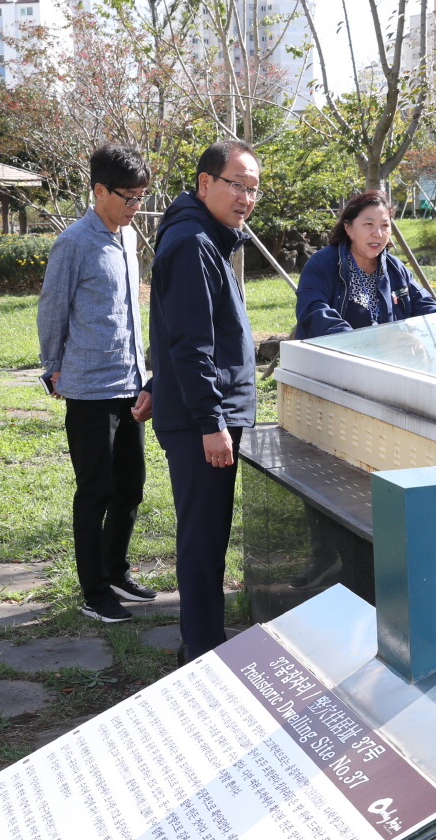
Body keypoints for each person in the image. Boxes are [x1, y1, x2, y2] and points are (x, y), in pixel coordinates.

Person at [146, 139, 260, 662]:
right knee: (201, 538)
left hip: (199, 411)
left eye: (253, 188)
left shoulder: (206, 237)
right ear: (205, 183)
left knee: (207, 535)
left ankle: (204, 644)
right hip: (201, 422)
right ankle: (203, 652)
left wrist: (156, 383)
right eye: (236, 183)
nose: (245, 197)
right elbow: (191, 344)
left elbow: (176, 327)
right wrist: (211, 421)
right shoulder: (193, 241)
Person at [37, 144, 157, 624]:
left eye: (141, 197)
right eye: (128, 197)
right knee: (96, 491)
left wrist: (144, 374)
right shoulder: (75, 242)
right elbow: (52, 307)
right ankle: (93, 592)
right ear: (99, 190)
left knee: (131, 486)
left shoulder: (126, 238)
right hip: (89, 388)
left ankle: (115, 570)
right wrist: (52, 366)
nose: (135, 207)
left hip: (130, 382)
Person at [294, 189, 436, 340]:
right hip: (333, 358)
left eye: (384, 225)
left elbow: (424, 303)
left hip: (386, 357)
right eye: (368, 224)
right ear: (348, 227)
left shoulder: (394, 267)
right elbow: (313, 313)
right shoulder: (322, 264)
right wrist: (359, 341)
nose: (377, 233)